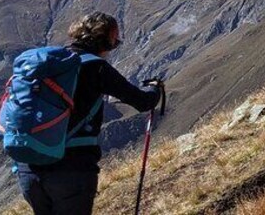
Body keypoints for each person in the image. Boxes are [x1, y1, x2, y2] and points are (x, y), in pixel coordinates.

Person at [16, 13, 162, 215]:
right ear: (106, 42)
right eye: (114, 42)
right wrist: (155, 89)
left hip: (29, 169)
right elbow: (142, 101)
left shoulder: (50, 64)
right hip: (72, 170)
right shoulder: (96, 67)